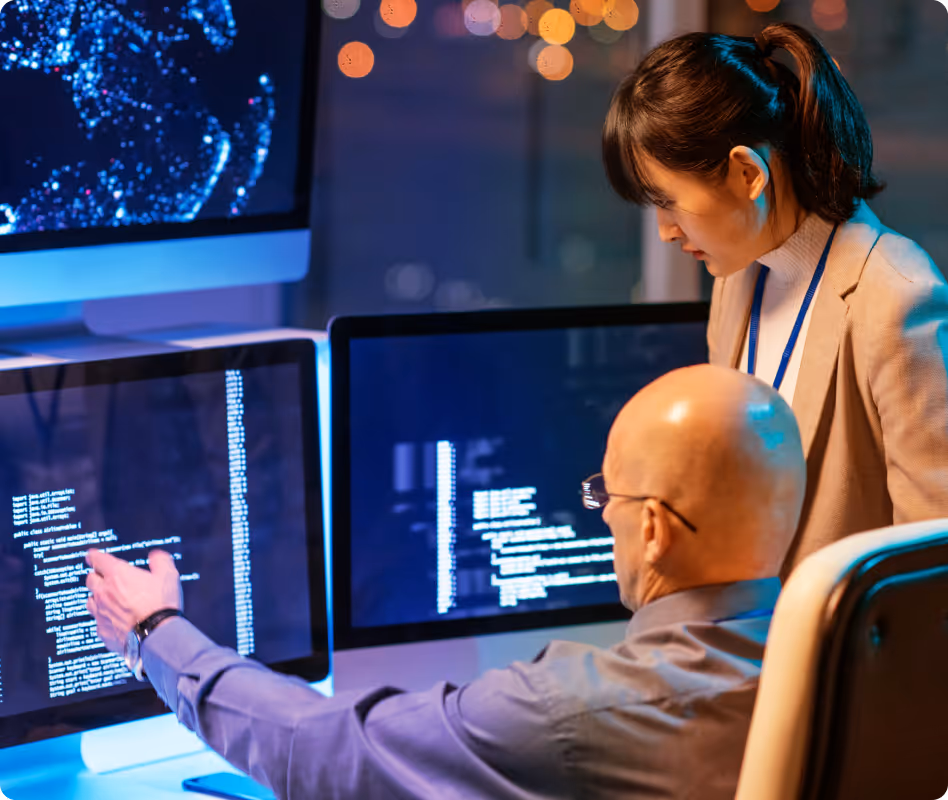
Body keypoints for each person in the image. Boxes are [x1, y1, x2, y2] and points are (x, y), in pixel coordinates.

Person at [86, 364, 807, 800]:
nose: (602, 518)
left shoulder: (574, 713)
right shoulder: (838, 659)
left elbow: (321, 749)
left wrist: (157, 633)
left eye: (604, 497)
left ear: (652, 528)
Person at [602, 22, 948, 578]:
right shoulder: (739, 275)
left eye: (669, 202)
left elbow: (932, 568)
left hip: (839, 656)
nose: (665, 230)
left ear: (746, 174)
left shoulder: (896, 296)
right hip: (744, 645)